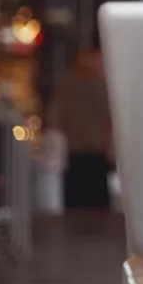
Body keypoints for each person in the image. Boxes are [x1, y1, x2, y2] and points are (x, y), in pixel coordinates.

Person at [48, 44, 114, 210]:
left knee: (75, 201)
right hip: (97, 150)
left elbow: (54, 118)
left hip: (74, 150)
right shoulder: (102, 88)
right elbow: (110, 118)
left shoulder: (65, 86)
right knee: (98, 202)